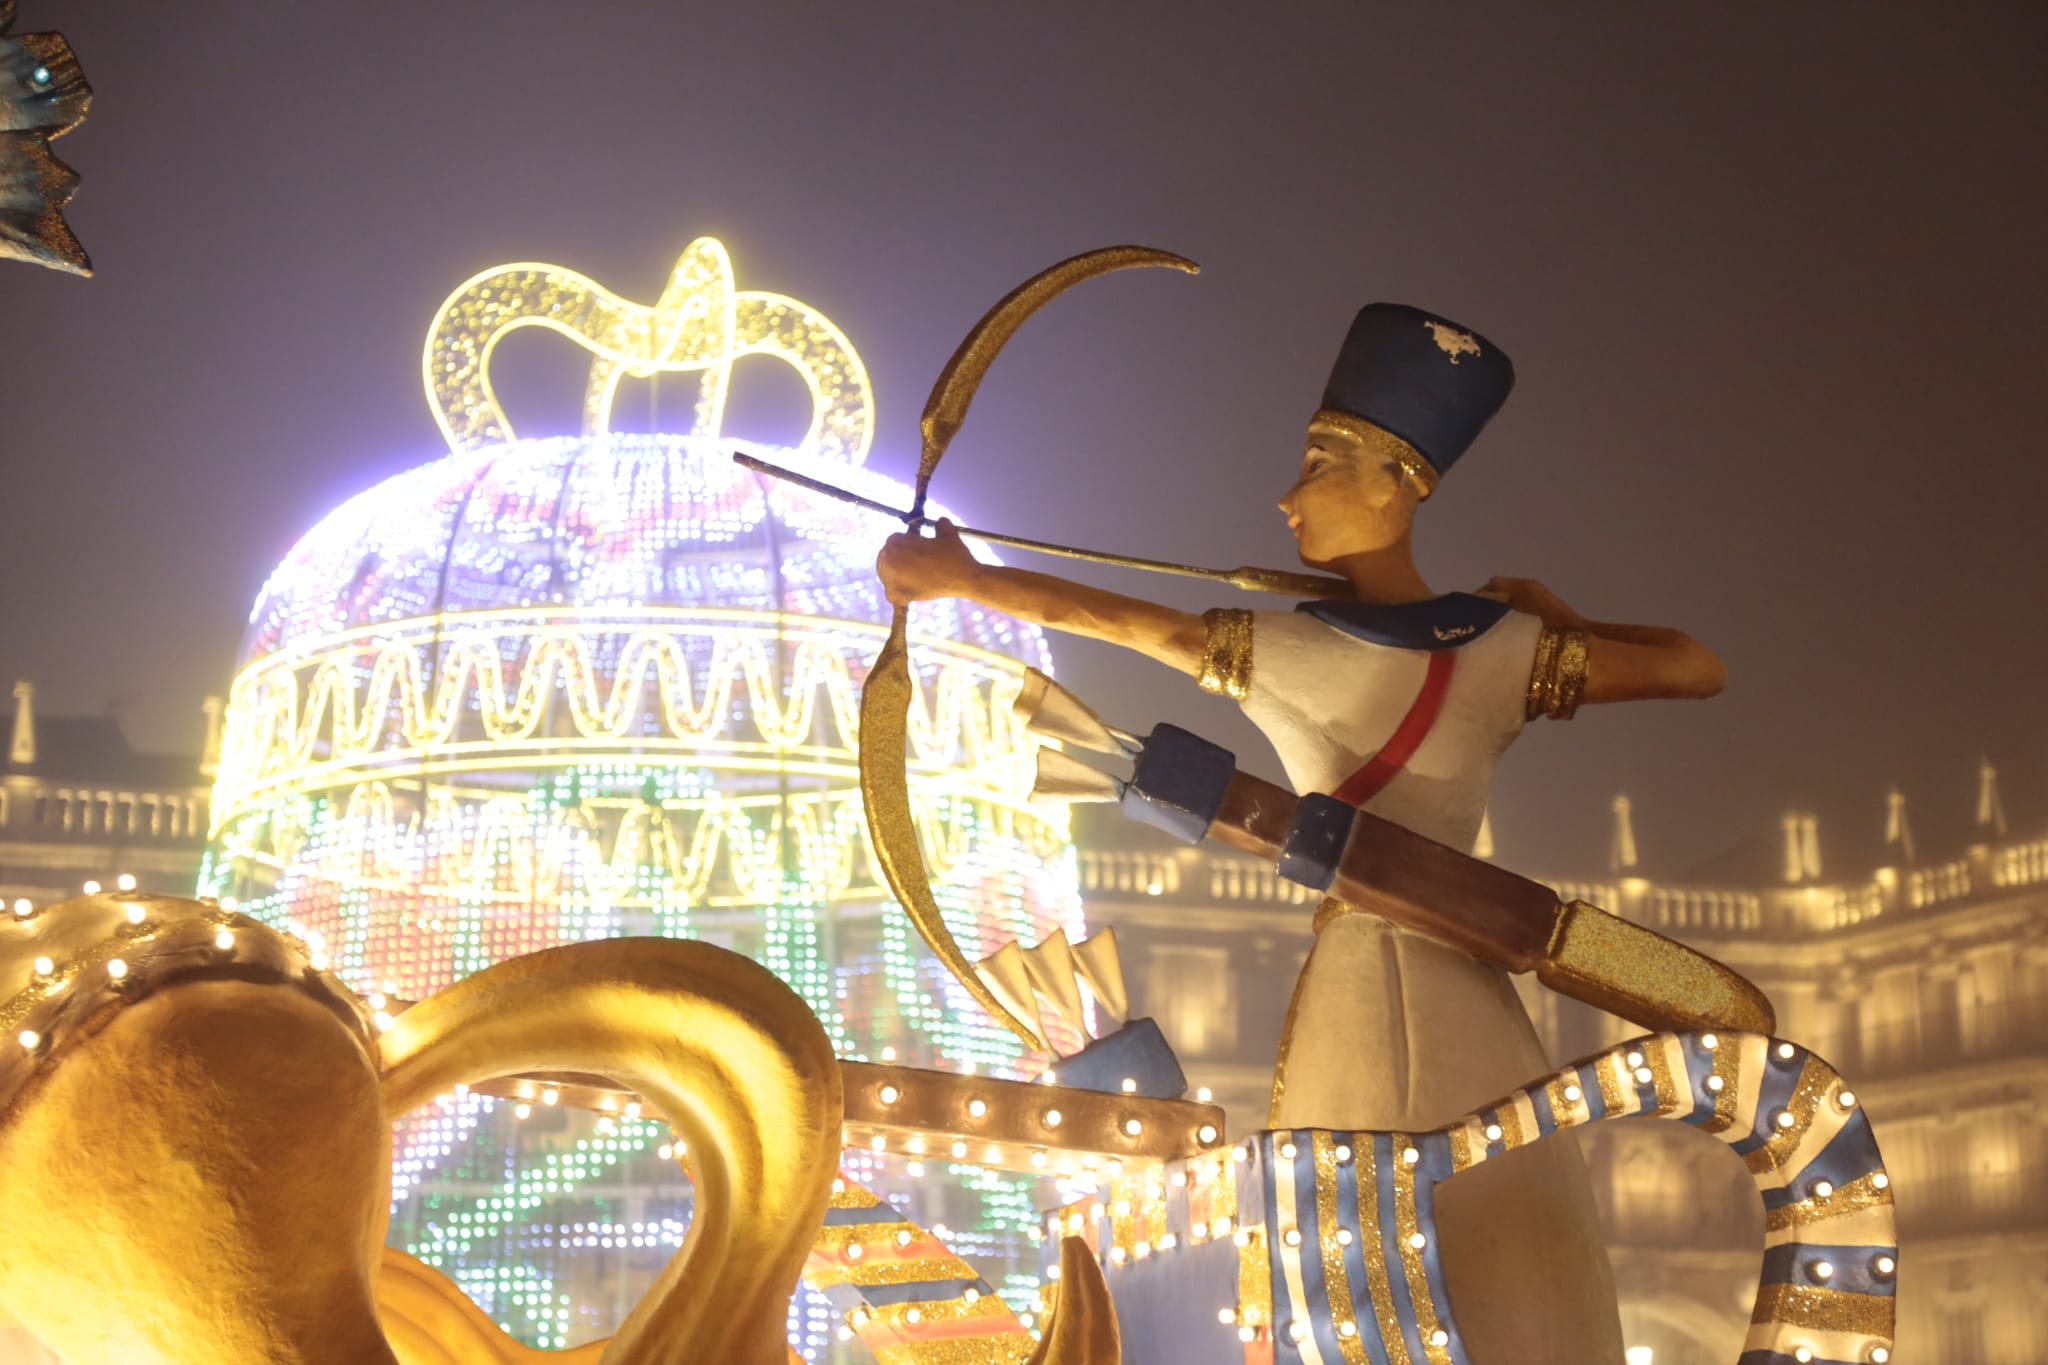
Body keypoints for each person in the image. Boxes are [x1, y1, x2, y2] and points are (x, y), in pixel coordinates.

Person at [878, 302, 1724, 1362]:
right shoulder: (1506, 645)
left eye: (1320, 463)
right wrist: (1565, 616)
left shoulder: (1302, 651)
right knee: (1511, 1242)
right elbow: (1696, 665)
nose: (1287, 497)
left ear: (1397, 484)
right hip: (1480, 986)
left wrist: (963, 583)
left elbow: (1125, 623)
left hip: (1362, 985)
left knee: (1343, 1259)